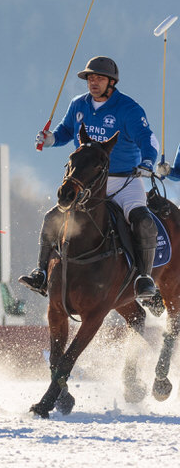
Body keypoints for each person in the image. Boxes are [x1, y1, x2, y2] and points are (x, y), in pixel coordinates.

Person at [20, 56, 160, 300]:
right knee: (52, 217)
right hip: (87, 183)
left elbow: (148, 140)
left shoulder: (128, 109)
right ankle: (41, 272)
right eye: (90, 78)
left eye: (100, 78)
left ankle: (144, 278)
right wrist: (51, 139)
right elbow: (66, 131)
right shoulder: (79, 104)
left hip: (124, 181)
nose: (93, 82)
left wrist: (147, 163)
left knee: (143, 221)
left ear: (112, 82)